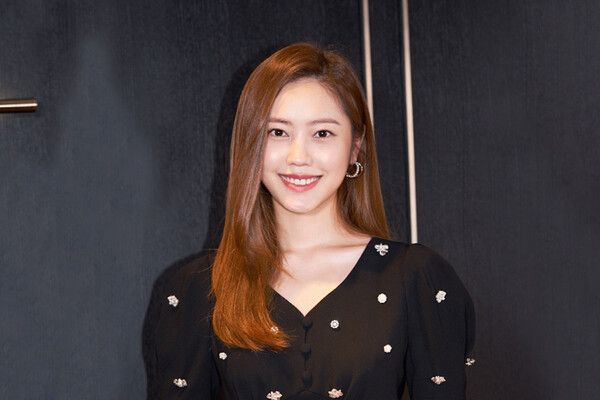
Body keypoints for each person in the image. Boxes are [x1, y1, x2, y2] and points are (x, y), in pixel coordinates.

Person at [143, 42, 476, 400]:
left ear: (355, 146)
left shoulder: (415, 278)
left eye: (322, 133)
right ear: (250, 143)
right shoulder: (199, 288)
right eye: (277, 132)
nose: (298, 157)